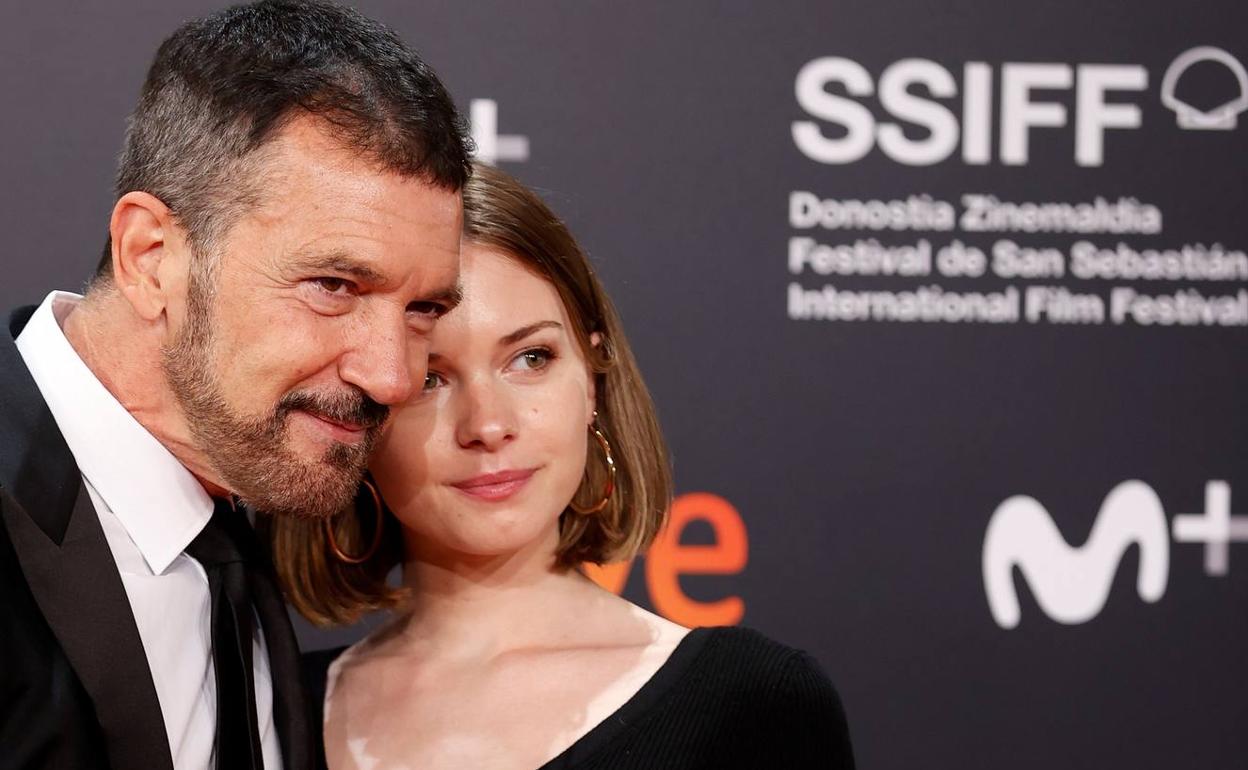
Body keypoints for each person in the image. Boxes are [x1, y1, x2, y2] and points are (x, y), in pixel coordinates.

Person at [0, 2, 471, 768]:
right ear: (151, 257)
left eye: (423, 309)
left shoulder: (232, 516)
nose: (391, 375)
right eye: (333, 285)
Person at [281, 164, 855, 769]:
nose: (488, 424)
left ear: (592, 379)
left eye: (532, 357)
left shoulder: (754, 706)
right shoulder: (272, 710)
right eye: (429, 378)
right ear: (359, 413)